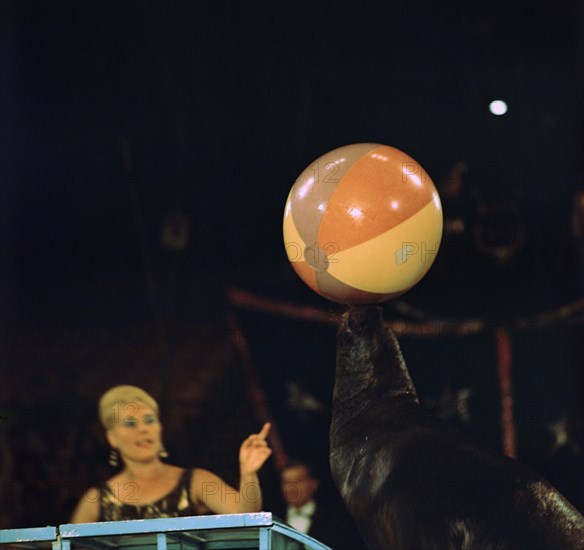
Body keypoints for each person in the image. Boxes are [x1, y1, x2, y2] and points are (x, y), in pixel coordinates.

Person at [71, 385, 271, 522]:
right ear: (112, 437)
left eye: (149, 420)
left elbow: (247, 514)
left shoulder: (195, 481)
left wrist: (248, 474)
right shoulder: (96, 499)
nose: (143, 429)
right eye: (131, 423)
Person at [278, 459, 367, 549]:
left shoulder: (335, 521)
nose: (291, 487)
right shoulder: (274, 516)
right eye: (286, 481)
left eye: (298, 480)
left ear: (313, 484)